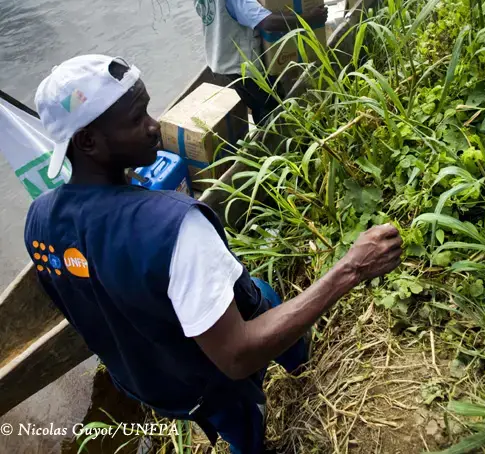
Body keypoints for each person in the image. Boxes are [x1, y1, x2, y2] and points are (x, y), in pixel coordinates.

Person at [25, 54, 402, 454]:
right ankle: (294, 385)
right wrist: (351, 268)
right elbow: (237, 357)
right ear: (87, 141)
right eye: (137, 119)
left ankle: (294, 377)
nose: (155, 126)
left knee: (256, 301)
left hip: (152, 384)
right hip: (211, 384)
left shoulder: (38, 219)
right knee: (245, 421)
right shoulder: (175, 228)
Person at [190, 0, 328, 124]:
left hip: (222, 61)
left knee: (257, 106)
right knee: (276, 109)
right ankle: (283, 147)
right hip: (245, 66)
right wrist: (309, 18)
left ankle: (263, 143)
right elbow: (267, 22)